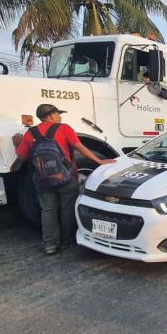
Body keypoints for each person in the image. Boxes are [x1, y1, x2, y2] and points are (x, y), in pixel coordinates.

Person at [11, 104, 116, 254]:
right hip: (66, 178)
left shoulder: (30, 134)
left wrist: (17, 145)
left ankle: (50, 245)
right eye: (58, 114)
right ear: (51, 115)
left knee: (48, 210)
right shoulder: (64, 128)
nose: (60, 116)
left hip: (42, 180)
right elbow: (80, 147)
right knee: (67, 209)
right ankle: (67, 241)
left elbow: (22, 156)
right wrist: (99, 161)